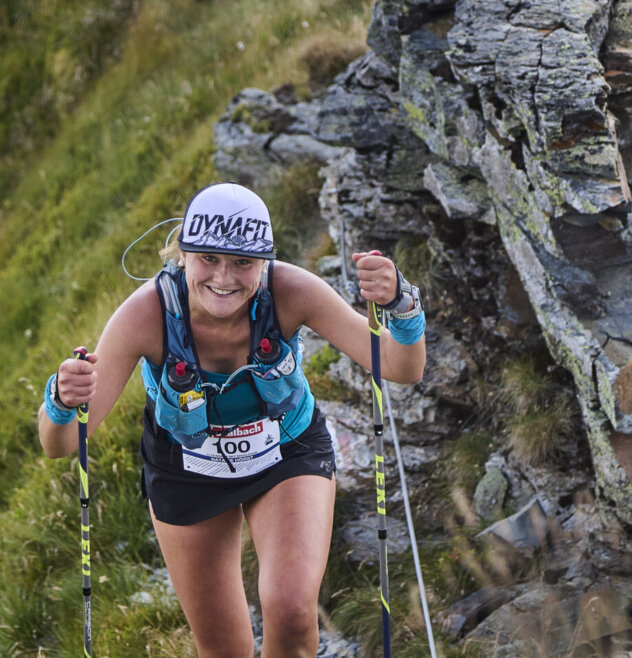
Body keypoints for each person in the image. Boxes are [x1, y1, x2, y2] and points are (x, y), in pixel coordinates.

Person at [37, 182, 426, 657]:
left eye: (243, 262)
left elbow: (401, 368)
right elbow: (61, 445)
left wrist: (400, 303)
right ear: (183, 254)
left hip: (287, 452)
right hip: (187, 472)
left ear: (265, 262)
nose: (225, 278)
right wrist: (61, 399)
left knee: (292, 610)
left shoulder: (292, 291)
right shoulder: (145, 315)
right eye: (209, 259)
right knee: (224, 650)